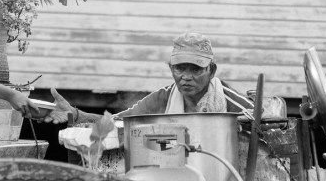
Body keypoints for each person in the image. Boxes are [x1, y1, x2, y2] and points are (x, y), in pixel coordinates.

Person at [47, 31, 251, 125]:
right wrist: (75, 114)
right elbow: (118, 123)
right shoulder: (163, 98)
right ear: (171, 68)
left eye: (196, 69)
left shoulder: (230, 100)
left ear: (211, 71)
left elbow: (262, 125)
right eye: (180, 69)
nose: (186, 77)